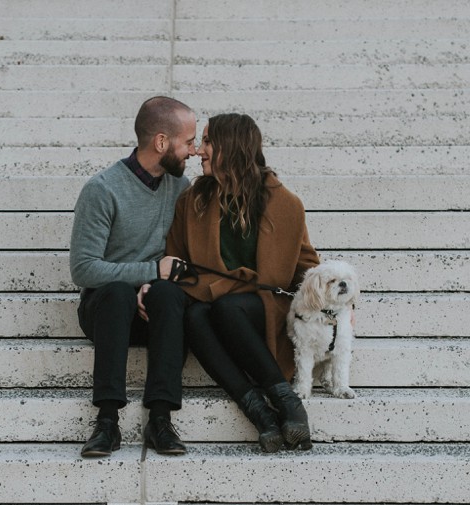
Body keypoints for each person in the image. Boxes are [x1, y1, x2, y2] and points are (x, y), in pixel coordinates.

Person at [164, 113, 320, 452]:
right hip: (214, 302)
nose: (199, 151)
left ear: (230, 147)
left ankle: (288, 403)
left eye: (207, 142)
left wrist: (335, 307)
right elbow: (176, 260)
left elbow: (307, 265)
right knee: (196, 316)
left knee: (227, 306)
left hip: (264, 307)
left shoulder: (285, 203)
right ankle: (261, 414)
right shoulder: (193, 201)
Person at [69, 96, 197, 458]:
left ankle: (160, 419)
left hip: (155, 308)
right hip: (107, 311)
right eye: (188, 141)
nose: (193, 150)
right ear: (161, 142)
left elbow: (183, 258)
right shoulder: (103, 189)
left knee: (169, 296)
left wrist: (155, 283)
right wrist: (148, 273)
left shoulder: (181, 188)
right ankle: (107, 421)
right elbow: (84, 268)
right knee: (115, 294)